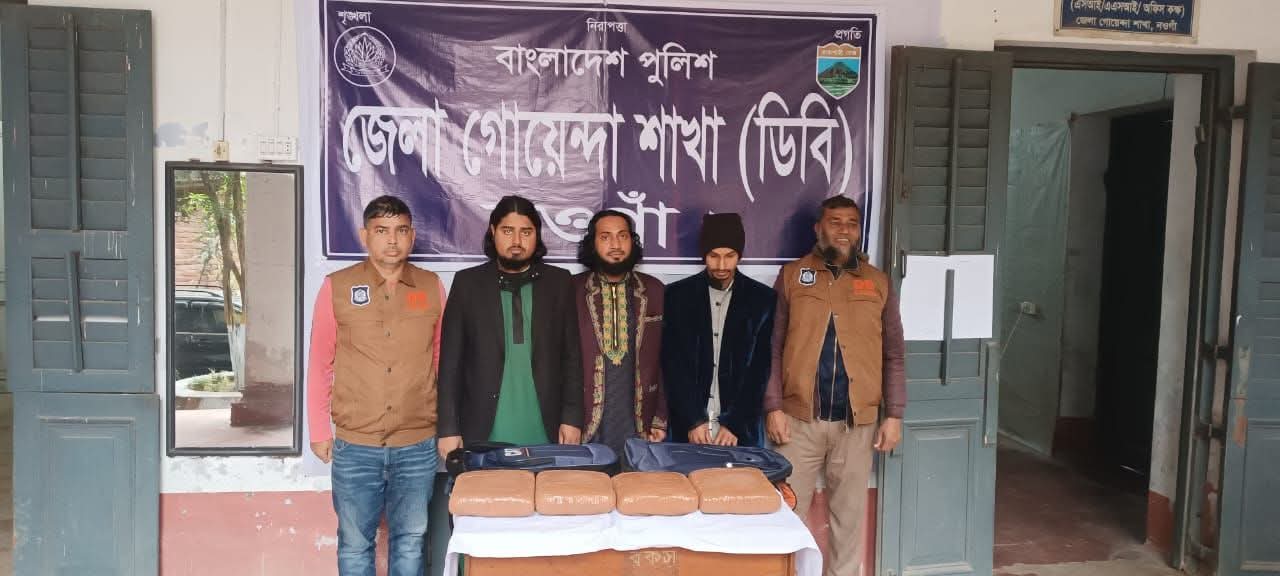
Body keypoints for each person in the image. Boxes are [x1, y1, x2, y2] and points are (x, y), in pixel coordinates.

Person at [764, 195, 906, 576]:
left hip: (855, 425)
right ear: (818, 228)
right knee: (786, 515)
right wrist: (773, 406)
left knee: (848, 521)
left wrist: (894, 415)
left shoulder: (878, 283)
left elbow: (894, 354)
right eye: (835, 222)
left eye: (852, 223)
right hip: (798, 423)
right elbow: (771, 347)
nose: (844, 230)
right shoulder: (793, 276)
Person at [307, 195, 446, 576]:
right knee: (355, 543)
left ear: (412, 236)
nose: (392, 240)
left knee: (411, 540)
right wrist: (319, 431)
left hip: (416, 444)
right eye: (382, 231)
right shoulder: (337, 287)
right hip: (356, 445)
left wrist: (446, 425)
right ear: (364, 235)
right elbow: (320, 363)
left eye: (401, 230)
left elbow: (440, 359)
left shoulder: (431, 287)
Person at [437, 195, 584, 456]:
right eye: (507, 231)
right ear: (493, 231)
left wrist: (572, 418)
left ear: (537, 235)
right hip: (482, 427)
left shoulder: (559, 283)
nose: (516, 241)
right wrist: (448, 428)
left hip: (547, 427)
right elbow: (450, 363)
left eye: (526, 232)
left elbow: (572, 356)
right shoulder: (468, 284)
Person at [661, 213, 775, 447]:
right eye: (714, 256)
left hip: (738, 433)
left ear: (739, 255)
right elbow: (673, 365)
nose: (722, 266)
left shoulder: (762, 299)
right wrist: (693, 420)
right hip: (687, 429)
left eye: (729, 256)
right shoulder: (676, 296)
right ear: (704, 254)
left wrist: (735, 423)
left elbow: (759, 370)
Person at [572, 210, 667, 456]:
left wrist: (660, 418)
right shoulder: (572, 290)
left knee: (634, 478)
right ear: (592, 244)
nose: (615, 245)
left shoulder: (655, 290)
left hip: (640, 423)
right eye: (605, 237)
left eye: (622, 236)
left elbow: (667, 361)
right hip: (584, 423)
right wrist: (566, 420)